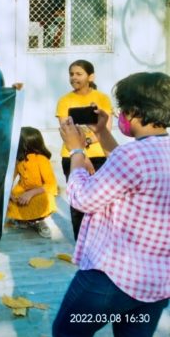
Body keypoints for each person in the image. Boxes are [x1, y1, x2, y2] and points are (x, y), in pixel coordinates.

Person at [53, 72, 170, 337]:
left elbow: (82, 199)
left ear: (133, 111)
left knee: (67, 333)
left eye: (121, 110)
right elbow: (132, 169)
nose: (120, 116)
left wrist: (76, 151)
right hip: (157, 283)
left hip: (110, 281)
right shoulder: (147, 152)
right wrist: (102, 131)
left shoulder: (132, 155)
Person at [55, 59, 112, 241]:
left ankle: (101, 242)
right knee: (77, 203)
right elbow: (67, 131)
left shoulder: (102, 98)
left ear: (90, 76)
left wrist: (85, 142)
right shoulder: (64, 100)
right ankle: (81, 244)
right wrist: (81, 156)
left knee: (102, 201)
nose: (74, 77)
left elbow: (106, 129)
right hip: (72, 157)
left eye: (79, 74)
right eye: (71, 74)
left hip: (99, 157)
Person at [7, 127, 58, 238]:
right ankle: (25, 220)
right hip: (22, 193)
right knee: (6, 197)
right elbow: (9, 179)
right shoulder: (19, 159)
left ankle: (39, 221)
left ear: (24, 144)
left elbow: (51, 185)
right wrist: (9, 194)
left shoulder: (41, 159)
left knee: (46, 199)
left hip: (38, 193)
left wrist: (30, 193)